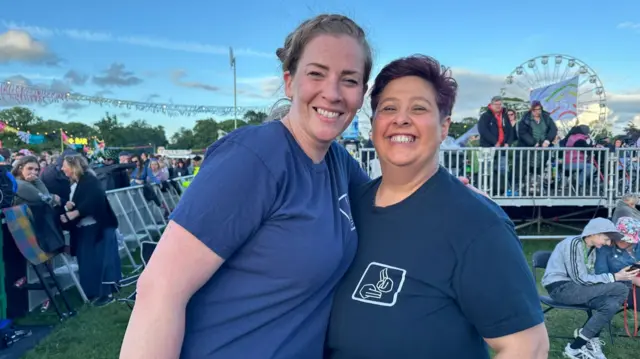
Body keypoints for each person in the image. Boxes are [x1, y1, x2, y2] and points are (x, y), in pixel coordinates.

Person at [325, 55, 548, 359]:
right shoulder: (348, 207)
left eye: (419, 108)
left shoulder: (478, 225)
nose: (401, 118)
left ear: (444, 127)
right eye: (388, 108)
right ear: (374, 123)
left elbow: (527, 347)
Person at [541, 217, 637, 359]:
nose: (608, 243)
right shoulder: (573, 243)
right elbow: (579, 278)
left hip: (579, 290)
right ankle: (588, 336)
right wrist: (615, 277)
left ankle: (576, 346)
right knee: (621, 289)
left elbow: (590, 278)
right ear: (594, 233)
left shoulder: (591, 249)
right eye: (606, 239)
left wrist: (623, 275)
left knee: (609, 304)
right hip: (561, 288)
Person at [596, 217, 640, 310]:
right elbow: (601, 275)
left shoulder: (638, 246)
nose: (623, 241)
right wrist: (632, 279)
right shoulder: (604, 248)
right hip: (620, 287)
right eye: (620, 238)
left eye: (627, 239)